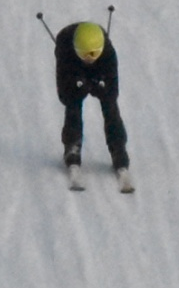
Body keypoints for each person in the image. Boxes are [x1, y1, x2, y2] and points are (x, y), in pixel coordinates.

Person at [54, 20, 129, 175]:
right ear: (75, 48)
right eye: (84, 54)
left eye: (93, 54)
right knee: (73, 104)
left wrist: (100, 89)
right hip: (73, 66)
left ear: (101, 49)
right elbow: (64, 95)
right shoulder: (65, 51)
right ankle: (72, 146)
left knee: (110, 106)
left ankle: (118, 148)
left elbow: (113, 93)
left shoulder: (108, 54)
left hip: (99, 68)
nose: (89, 58)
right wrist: (78, 90)